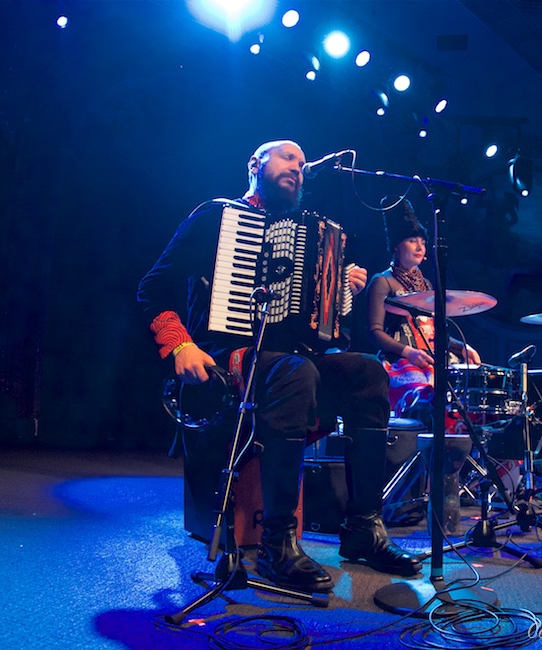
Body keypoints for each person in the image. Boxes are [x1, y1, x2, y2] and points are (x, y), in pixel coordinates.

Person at [137, 140, 421, 594]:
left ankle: (364, 529)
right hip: (228, 355)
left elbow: (329, 327)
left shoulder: (312, 229)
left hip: (292, 361)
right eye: (288, 158)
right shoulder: (217, 216)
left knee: (369, 372)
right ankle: (276, 544)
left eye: (303, 165)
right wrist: (180, 346)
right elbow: (151, 289)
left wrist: (342, 286)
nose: (298, 169)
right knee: (296, 371)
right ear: (255, 164)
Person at [365, 197, 480, 430]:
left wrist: (462, 348)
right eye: (411, 241)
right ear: (397, 246)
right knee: (426, 397)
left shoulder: (426, 284)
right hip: (400, 364)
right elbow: (374, 331)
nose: (419, 247)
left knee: (468, 396)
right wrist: (409, 352)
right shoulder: (383, 281)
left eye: (422, 242)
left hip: (432, 362)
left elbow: (436, 335)